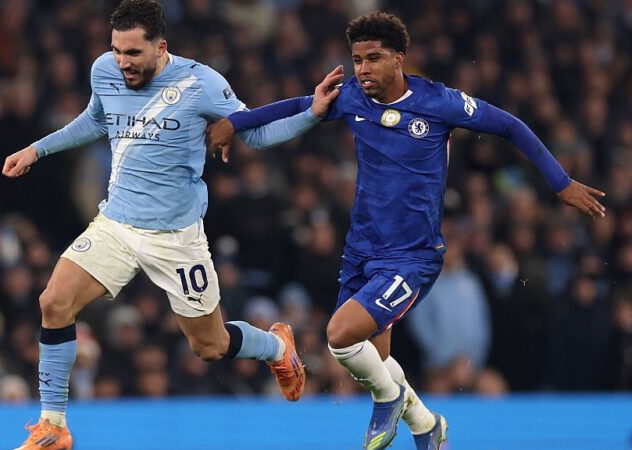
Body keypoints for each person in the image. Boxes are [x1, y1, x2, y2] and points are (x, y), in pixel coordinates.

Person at [206, 11, 605, 450]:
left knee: (339, 337)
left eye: (373, 58)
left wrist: (560, 183)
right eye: (357, 59)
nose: (363, 69)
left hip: (412, 257)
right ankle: (426, 424)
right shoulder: (353, 97)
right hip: (362, 250)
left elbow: (510, 126)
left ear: (400, 58)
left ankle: (390, 400)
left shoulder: (440, 103)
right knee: (372, 360)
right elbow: (296, 106)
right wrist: (234, 123)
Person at [1, 1, 337, 449]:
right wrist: (36, 150)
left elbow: (254, 133)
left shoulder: (202, 84)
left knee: (210, 346)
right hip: (116, 223)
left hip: (177, 239)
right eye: (117, 51)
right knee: (54, 303)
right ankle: (54, 426)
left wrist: (311, 114)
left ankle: (277, 348)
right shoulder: (104, 70)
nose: (123, 63)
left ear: (161, 48)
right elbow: (96, 120)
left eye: (133, 53)